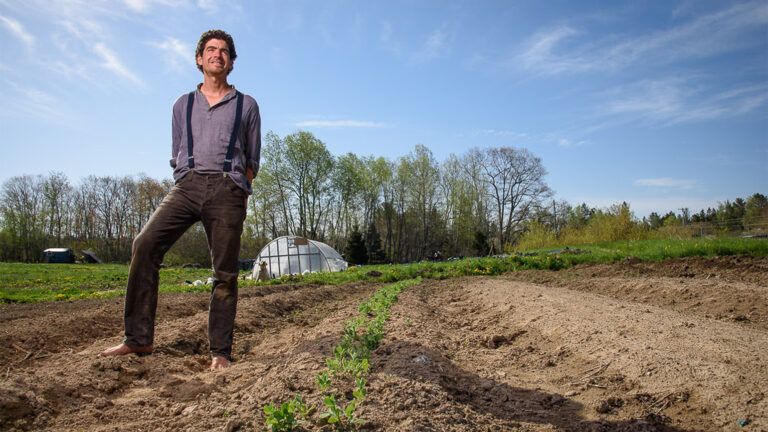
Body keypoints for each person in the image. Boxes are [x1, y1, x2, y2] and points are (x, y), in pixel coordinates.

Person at [100, 29, 261, 370]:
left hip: (226, 190)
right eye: (210, 50)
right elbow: (177, 151)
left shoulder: (247, 105)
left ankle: (220, 352)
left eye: (224, 51)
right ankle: (138, 339)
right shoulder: (181, 104)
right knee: (145, 244)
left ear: (231, 62)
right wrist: (185, 176)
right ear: (200, 59)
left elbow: (251, 161)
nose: (217, 54)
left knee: (225, 273)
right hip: (186, 186)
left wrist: (241, 193)